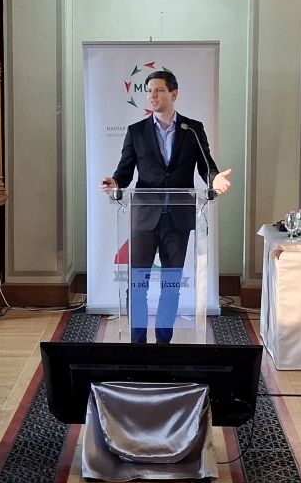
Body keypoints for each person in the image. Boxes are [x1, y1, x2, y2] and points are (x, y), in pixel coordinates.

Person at [99, 70, 233, 343]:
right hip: (144, 219)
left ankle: (163, 342)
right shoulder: (136, 131)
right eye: (149, 91)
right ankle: (137, 343)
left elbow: (206, 166)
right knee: (138, 285)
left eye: (159, 90)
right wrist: (115, 182)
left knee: (171, 286)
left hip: (178, 219)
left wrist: (214, 179)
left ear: (174, 94)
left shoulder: (192, 129)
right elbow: (125, 171)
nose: (152, 95)